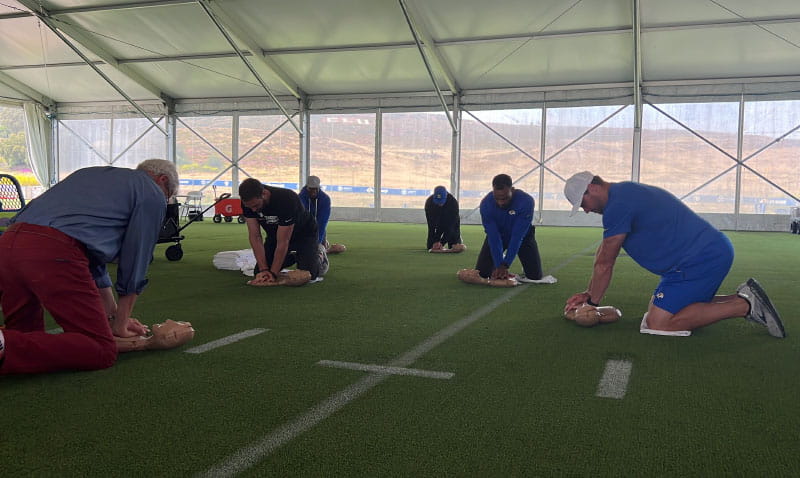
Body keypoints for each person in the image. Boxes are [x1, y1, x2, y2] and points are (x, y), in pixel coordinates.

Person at [0, 159, 179, 374]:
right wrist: (126, 329)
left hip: (8, 244)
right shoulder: (151, 191)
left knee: (24, 336)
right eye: (167, 196)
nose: (164, 202)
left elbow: (93, 262)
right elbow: (136, 258)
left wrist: (113, 315)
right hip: (53, 250)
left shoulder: (90, 174)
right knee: (100, 349)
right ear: (163, 180)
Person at [562, 171, 785, 337]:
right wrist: (588, 293)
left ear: (592, 187)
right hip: (696, 259)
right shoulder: (623, 194)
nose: (587, 210)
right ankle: (744, 295)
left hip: (700, 259)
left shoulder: (618, 204)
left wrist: (592, 302)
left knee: (659, 323)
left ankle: (745, 306)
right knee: (661, 310)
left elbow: (605, 263)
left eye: (583, 203)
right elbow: (603, 251)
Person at [239, 178, 324, 284]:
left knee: (308, 275)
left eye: (256, 206)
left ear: (264, 194)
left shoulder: (286, 199)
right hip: (275, 235)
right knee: (258, 272)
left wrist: (273, 274)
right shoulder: (248, 204)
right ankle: (294, 256)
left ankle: (319, 255)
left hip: (304, 234)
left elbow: (283, 242)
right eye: (249, 207)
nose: (253, 210)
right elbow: (255, 236)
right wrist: (264, 270)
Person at [476, 174, 555, 283]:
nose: (501, 202)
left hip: (523, 236)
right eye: (497, 198)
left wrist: (505, 264)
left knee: (534, 276)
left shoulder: (526, 201)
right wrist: (499, 263)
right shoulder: (486, 204)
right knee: (483, 273)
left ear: (512, 190)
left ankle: (524, 264)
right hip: (499, 235)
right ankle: (497, 260)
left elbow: (517, 237)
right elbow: (493, 237)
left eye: (504, 198)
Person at [424, 185, 462, 251]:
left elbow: (451, 225)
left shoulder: (453, 203)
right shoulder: (429, 203)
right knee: (430, 247)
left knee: (454, 246)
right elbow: (431, 226)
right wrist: (435, 242)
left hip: (450, 221)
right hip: (437, 220)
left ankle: (457, 239)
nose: (439, 204)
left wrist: (442, 242)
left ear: (446, 196)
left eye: (441, 202)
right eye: (437, 202)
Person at [298, 175, 331, 246]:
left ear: (319, 188)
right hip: (304, 227)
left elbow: (322, 222)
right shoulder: (300, 198)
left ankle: (323, 244)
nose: (313, 191)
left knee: (319, 246)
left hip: (317, 225)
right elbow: (300, 219)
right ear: (307, 187)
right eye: (311, 189)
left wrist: (318, 242)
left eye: (316, 189)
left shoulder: (325, 199)